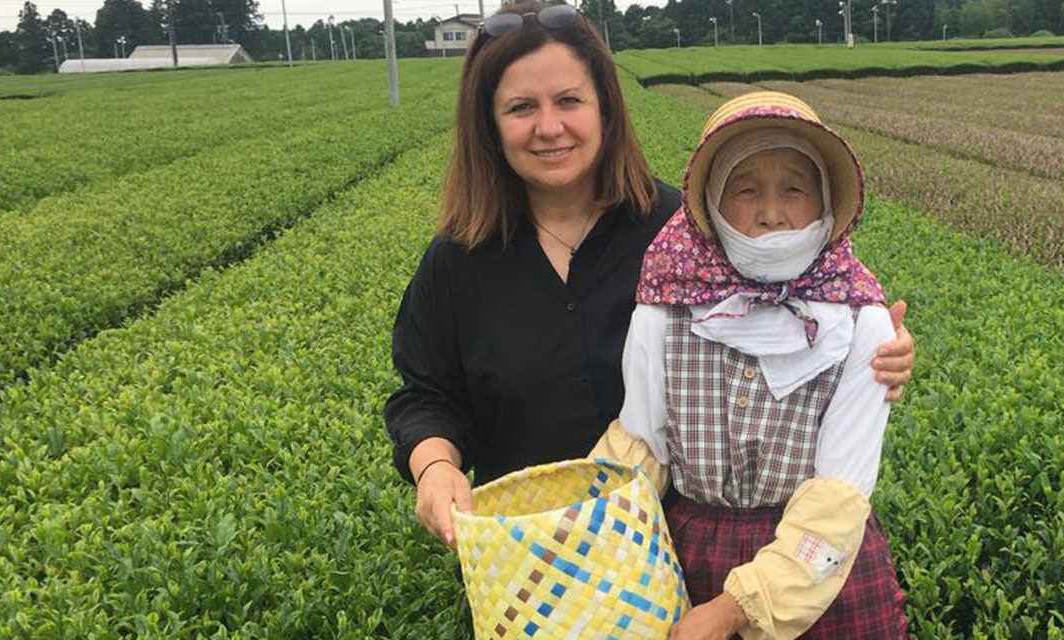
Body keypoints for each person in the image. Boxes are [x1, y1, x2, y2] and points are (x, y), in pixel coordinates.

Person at [383, 0, 914, 561]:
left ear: (605, 109)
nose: (549, 127)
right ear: (488, 125)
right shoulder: (458, 258)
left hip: (669, 554)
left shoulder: (686, 237)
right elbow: (427, 393)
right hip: (524, 556)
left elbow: (795, 317)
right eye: (520, 107)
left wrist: (876, 350)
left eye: (569, 101)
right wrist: (435, 466)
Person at [590, 91, 908, 640]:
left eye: (794, 189)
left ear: (826, 201)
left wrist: (738, 608)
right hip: (691, 558)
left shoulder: (861, 324)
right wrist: (578, 532)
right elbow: (639, 450)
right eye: (745, 189)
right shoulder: (664, 313)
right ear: (711, 203)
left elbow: (839, 495)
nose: (770, 212)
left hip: (818, 570)